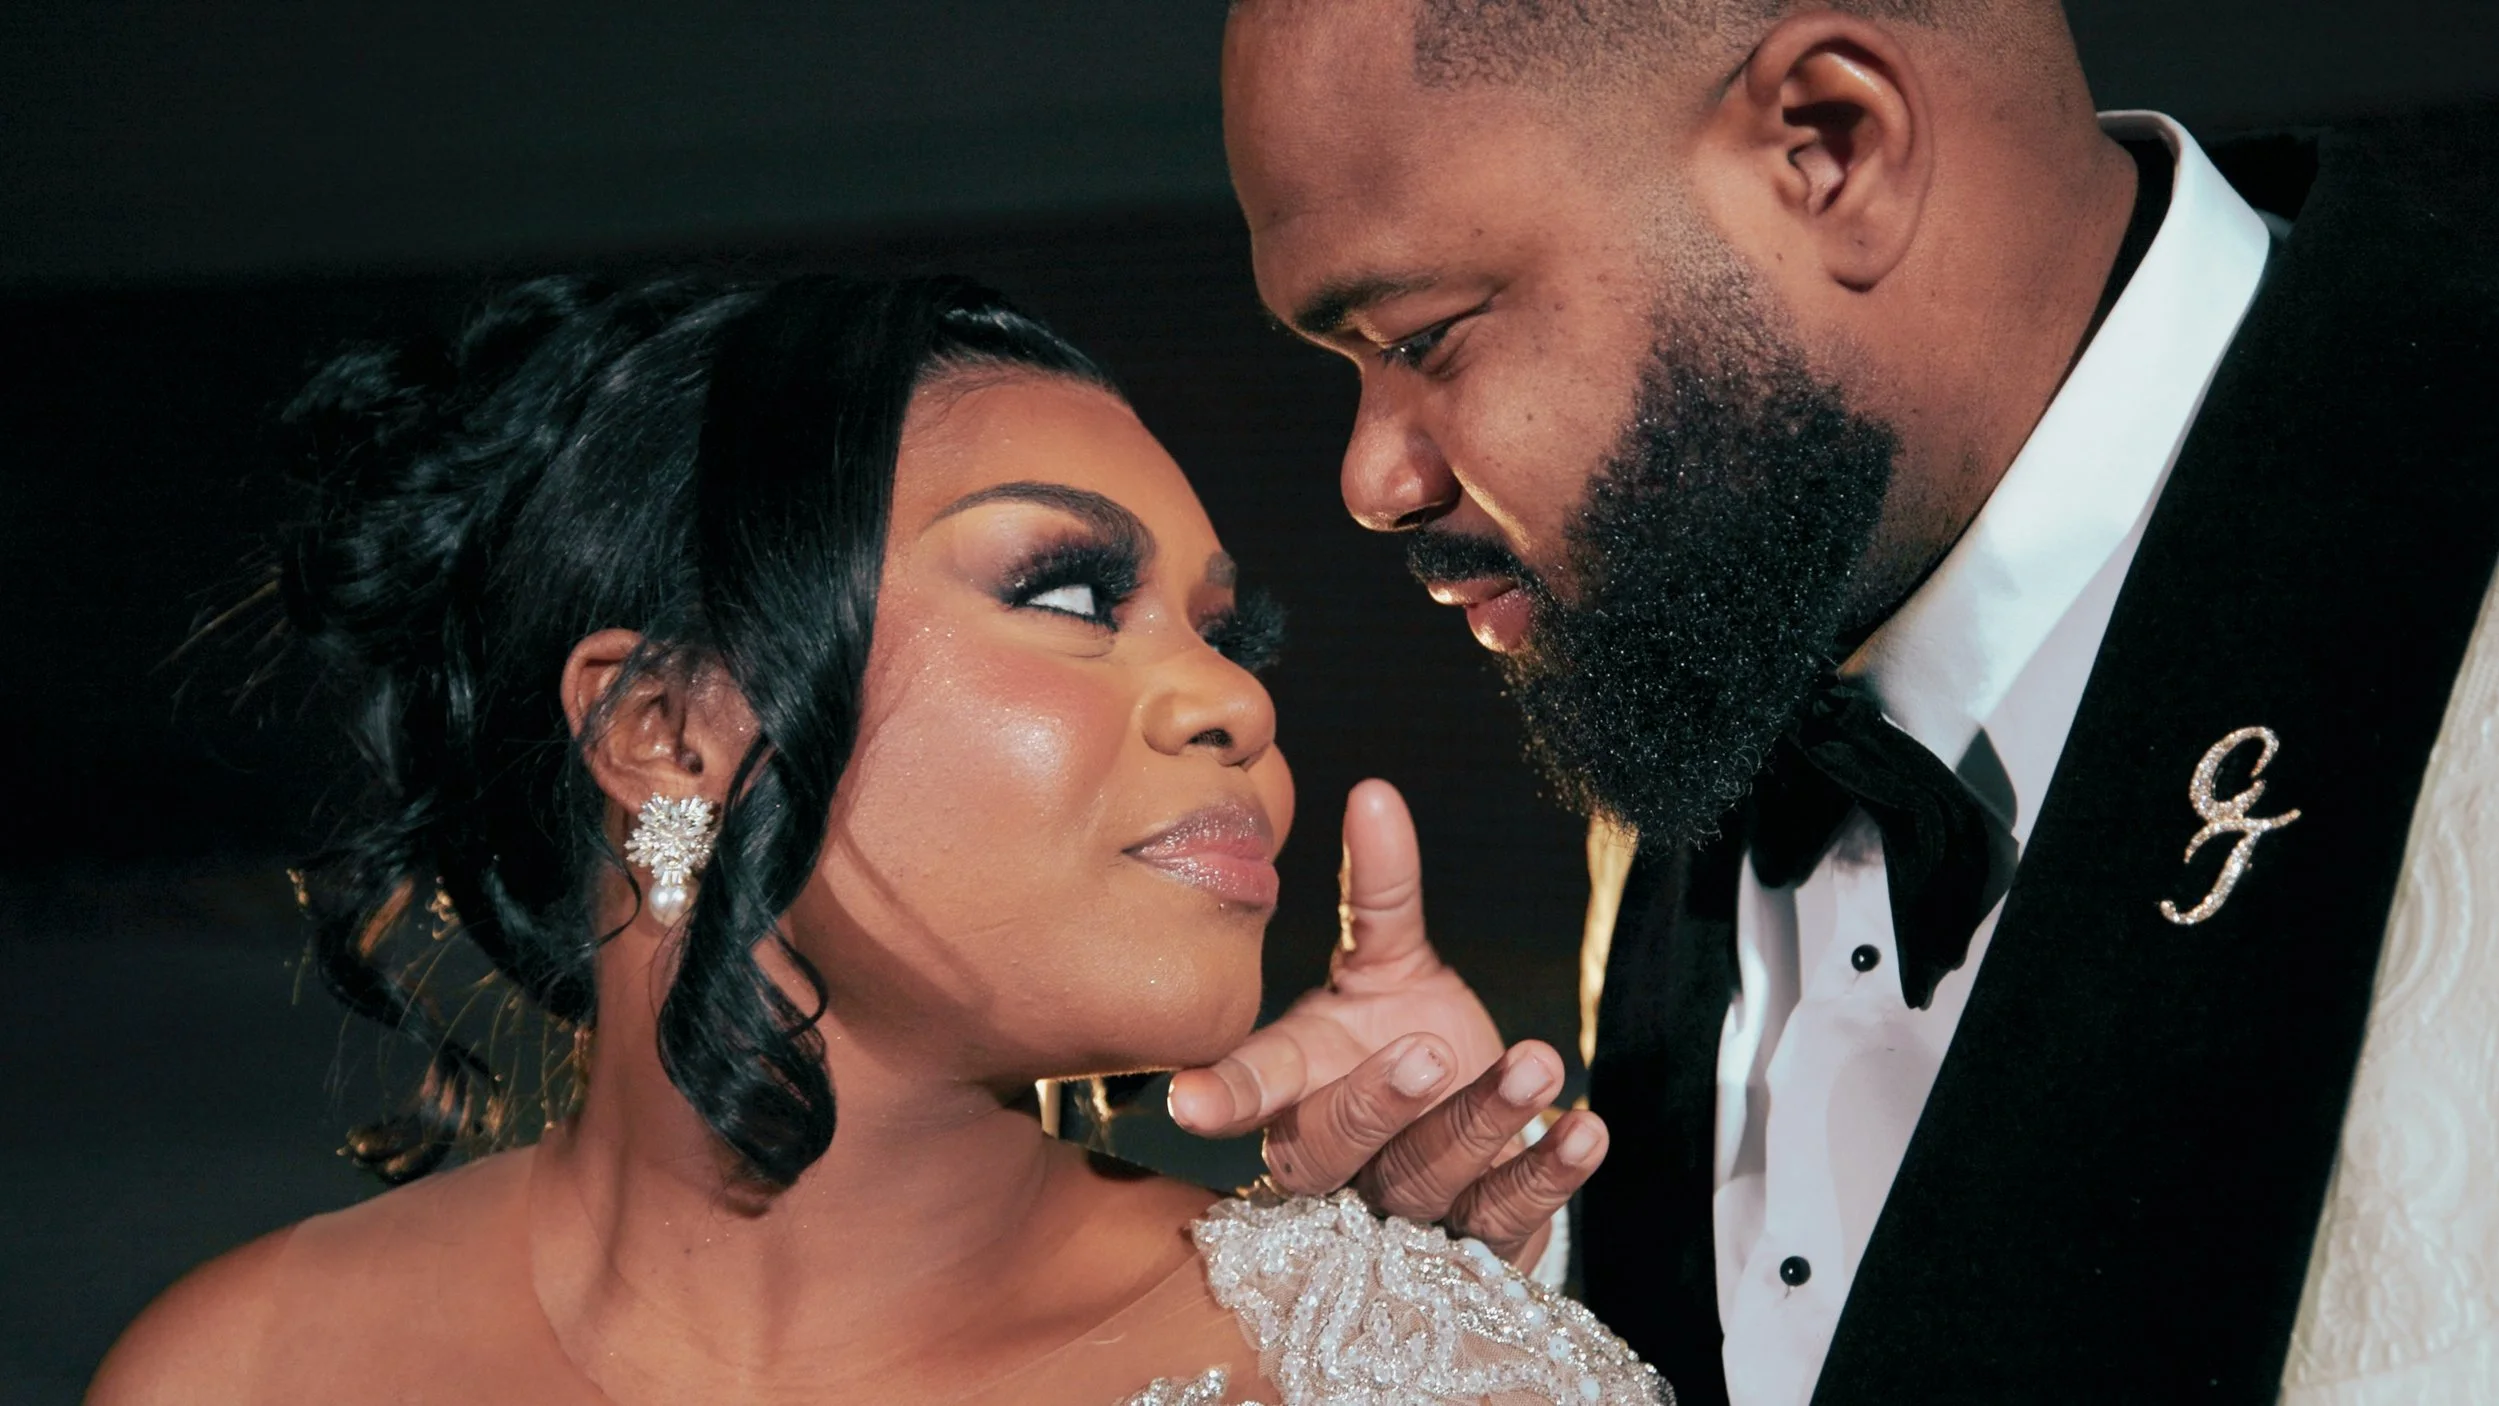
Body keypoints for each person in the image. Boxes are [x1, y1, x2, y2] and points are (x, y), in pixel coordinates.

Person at [1181, 2, 2499, 1403]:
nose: (1372, 482)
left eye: (1426, 336)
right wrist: (1515, 1288)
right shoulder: (1729, 588)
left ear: (1833, 150)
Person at [85, 273, 1666, 1406]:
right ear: (670, 731)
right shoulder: (239, 1371)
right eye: (1068, 592)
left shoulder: (1399, 1373)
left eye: (1223, 634)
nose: (1233, 700)